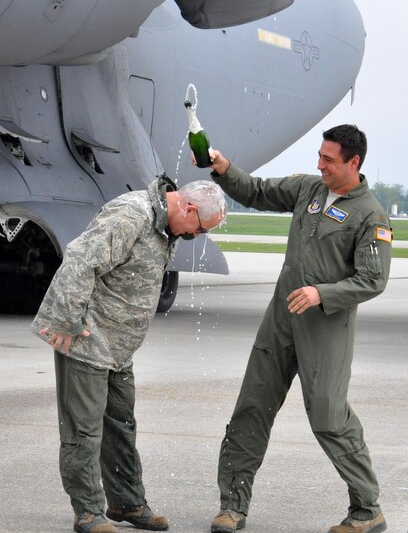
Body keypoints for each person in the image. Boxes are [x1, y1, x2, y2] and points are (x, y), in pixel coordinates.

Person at [206, 125, 392, 533]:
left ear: (353, 163)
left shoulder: (371, 216)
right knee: (251, 408)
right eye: (320, 156)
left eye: (329, 159)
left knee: (329, 418)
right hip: (281, 321)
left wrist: (321, 293)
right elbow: (256, 191)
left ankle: (366, 509)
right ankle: (232, 506)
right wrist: (223, 169)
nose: (319, 164)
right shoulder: (308, 190)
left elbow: (372, 280)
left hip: (325, 328)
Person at [31, 174, 227, 533]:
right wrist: (66, 320)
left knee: (121, 426)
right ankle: (88, 511)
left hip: (119, 347)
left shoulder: (165, 226)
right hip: (88, 339)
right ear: (187, 206)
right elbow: (80, 259)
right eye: (200, 229)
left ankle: (126, 502)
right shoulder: (132, 214)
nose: (197, 236)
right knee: (84, 430)